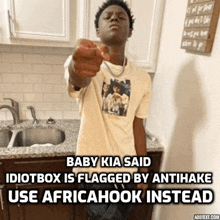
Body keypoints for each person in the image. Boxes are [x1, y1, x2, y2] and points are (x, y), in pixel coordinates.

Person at [64, 0, 151, 219]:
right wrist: (77, 70)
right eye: (108, 16)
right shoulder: (84, 62)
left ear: (129, 31)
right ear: (97, 30)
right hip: (94, 175)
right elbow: (78, 80)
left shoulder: (142, 78)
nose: (114, 18)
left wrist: (142, 171)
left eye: (122, 17)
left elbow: (137, 126)